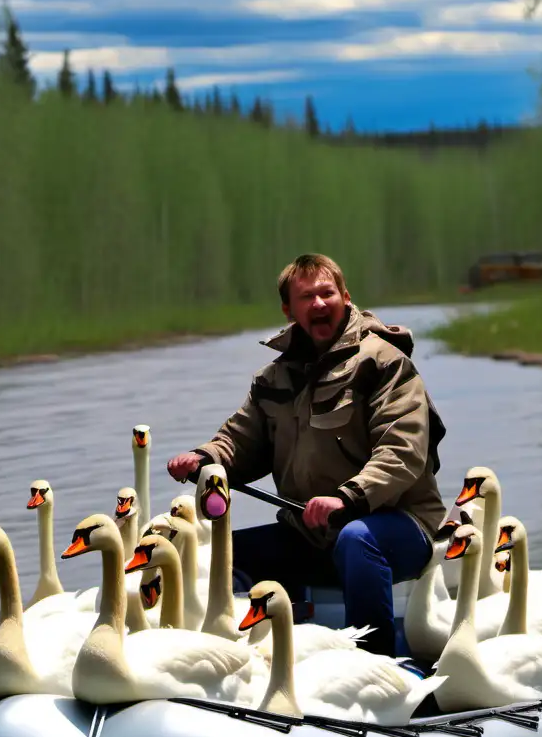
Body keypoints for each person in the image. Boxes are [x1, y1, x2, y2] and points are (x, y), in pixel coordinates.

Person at [167, 253, 447, 657]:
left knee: (356, 539)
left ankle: (377, 668)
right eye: (306, 297)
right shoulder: (273, 378)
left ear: (345, 297)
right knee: (224, 553)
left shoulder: (385, 363)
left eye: (326, 293)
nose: (318, 303)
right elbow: (240, 442)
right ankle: (256, 659)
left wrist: (347, 497)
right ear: (289, 309)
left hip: (398, 526)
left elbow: (402, 451)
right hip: (311, 533)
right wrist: (203, 456)